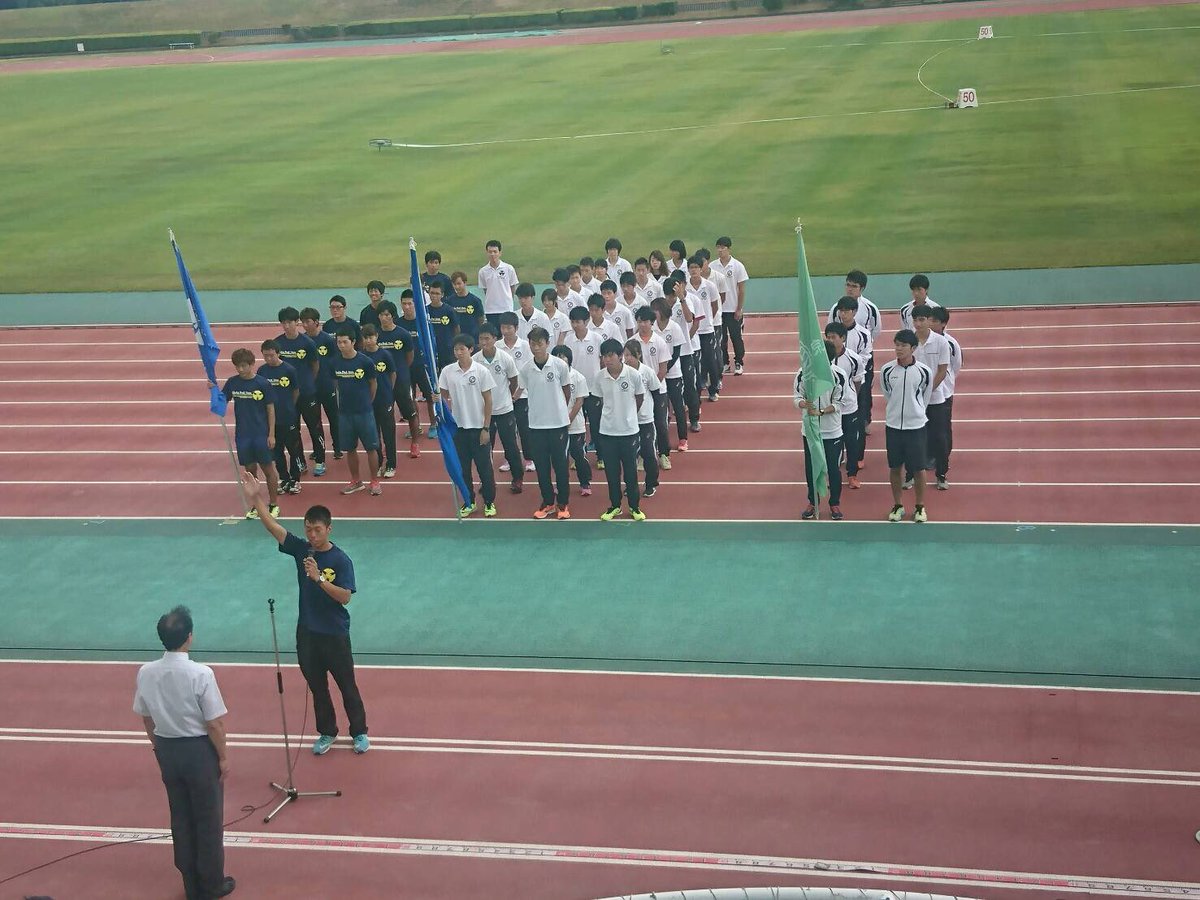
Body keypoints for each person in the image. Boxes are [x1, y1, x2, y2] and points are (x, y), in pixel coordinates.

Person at [244, 472, 370, 755]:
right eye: (308, 529)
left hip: (335, 634)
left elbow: (346, 597)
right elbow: (274, 528)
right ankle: (327, 732)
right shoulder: (301, 550)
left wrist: (319, 580)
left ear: (329, 529)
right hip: (308, 633)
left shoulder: (340, 560)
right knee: (318, 687)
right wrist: (256, 499)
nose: (312, 535)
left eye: (317, 530)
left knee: (346, 685)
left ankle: (359, 731)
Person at [133, 606, 235, 900]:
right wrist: (223, 756)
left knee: (180, 817)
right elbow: (214, 723)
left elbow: (146, 716)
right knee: (208, 819)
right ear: (189, 637)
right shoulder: (200, 673)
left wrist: (157, 745)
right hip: (197, 752)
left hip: (167, 749)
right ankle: (211, 884)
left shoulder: (146, 672)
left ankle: (190, 882)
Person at [439, 333, 498, 517]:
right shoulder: (448, 371)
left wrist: (486, 428)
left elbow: (488, 400)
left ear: (471, 350)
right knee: (463, 469)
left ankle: (489, 502)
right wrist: (437, 401)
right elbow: (442, 396)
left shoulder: (481, 371)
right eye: (456, 350)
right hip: (458, 430)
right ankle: (469, 501)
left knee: (485, 470)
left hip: (479, 429)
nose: (458, 353)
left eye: (462, 349)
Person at [216, 348, 278, 518]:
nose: (240, 369)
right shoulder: (232, 382)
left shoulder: (263, 383)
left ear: (252, 364)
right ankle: (256, 505)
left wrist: (271, 434)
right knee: (250, 471)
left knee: (268, 469)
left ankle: (273, 504)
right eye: (237, 366)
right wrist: (213, 389)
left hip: (261, 434)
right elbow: (222, 400)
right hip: (243, 435)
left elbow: (271, 409)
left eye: (244, 366)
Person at [880, 330, 933, 523]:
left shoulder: (924, 371)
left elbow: (925, 397)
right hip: (893, 426)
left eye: (903, 345)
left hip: (916, 427)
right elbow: (888, 394)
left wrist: (916, 411)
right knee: (895, 468)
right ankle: (898, 505)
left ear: (913, 348)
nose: (898, 349)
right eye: (896, 345)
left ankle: (919, 507)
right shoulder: (886, 370)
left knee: (919, 469)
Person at [519, 327, 573, 519]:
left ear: (547, 344)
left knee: (560, 467)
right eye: (533, 344)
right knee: (542, 469)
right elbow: (523, 391)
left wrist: (558, 411)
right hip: (536, 426)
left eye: (540, 344)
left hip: (558, 424)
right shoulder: (526, 369)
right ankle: (548, 502)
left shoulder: (559, 365)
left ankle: (563, 504)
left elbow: (567, 392)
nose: (536, 348)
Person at [591, 338, 646, 521]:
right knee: (612, 474)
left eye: (610, 355)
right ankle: (614, 506)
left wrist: (628, 415)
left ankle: (634, 507)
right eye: (604, 356)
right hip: (607, 433)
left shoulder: (633, 375)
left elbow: (639, 398)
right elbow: (598, 401)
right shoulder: (599, 377)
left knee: (630, 473)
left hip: (629, 431)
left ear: (620, 356)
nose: (607, 360)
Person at [794, 340, 849, 520]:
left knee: (832, 468)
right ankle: (813, 501)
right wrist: (804, 404)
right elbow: (797, 397)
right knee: (811, 468)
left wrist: (822, 411)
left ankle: (834, 504)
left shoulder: (838, 375)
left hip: (831, 430)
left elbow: (839, 402)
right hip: (810, 430)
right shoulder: (803, 373)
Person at [473, 323, 524, 494]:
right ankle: (487, 482)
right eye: (481, 339)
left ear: (495, 339)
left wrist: (507, 397)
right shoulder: (475, 360)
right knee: (485, 450)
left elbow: (514, 380)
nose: (484, 342)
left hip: (504, 410)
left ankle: (517, 478)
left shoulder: (505, 358)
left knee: (511, 447)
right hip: (484, 413)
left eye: (487, 338)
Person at [331, 328, 382, 496]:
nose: (342, 345)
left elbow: (373, 384)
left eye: (345, 342)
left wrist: (368, 401)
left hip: (364, 412)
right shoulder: (335, 362)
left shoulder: (365, 362)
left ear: (353, 342)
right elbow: (336, 383)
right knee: (349, 449)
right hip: (345, 413)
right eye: (339, 342)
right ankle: (356, 481)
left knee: (371, 448)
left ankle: (374, 481)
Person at [828, 271, 882, 431]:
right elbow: (831, 329)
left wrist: (859, 361)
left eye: (854, 286)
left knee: (863, 390)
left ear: (862, 288)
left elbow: (875, 330)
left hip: (862, 356)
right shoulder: (835, 308)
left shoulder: (870, 308)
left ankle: (864, 420)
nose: (850, 289)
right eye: (848, 285)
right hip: (839, 356)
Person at [275, 307, 324, 477]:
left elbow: (315, 366)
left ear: (297, 323)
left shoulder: (308, 343)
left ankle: (320, 460)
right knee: (292, 430)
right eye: (284, 323)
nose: (287, 326)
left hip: (307, 393)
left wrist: (307, 382)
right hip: (287, 397)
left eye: (290, 322)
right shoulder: (278, 343)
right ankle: (299, 461)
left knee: (315, 427)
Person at [909, 306, 951, 491]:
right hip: (914, 399)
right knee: (913, 438)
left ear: (929, 320)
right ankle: (910, 474)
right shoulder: (909, 340)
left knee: (939, 437)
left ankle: (941, 474)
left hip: (936, 399)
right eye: (915, 320)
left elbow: (943, 371)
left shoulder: (941, 342)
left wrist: (928, 391)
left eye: (922, 320)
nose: (918, 324)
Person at [376, 306, 421, 461]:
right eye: (381, 314)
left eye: (387, 314)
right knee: (382, 416)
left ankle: (415, 442)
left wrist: (401, 370)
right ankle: (381, 446)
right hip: (382, 381)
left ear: (393, 316)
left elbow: (409, 356)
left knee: (410, 412)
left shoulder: (403, 334)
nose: (384, 317)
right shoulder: (376, 335)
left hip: (401, 380)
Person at [258, 340, 302, 495]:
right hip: (271, 421)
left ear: (278, 353)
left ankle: (295, 479)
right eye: (265, 355)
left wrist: (288, 406)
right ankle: (284, 478)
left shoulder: (289, 370)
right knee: (277, 452)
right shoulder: (262, 371)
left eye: (271, 355)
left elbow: (295, 391)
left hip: (288, 418)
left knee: (294, 450)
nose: (269, 358)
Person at [824, 321, 865, 489]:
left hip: (848, 408)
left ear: (843, 338)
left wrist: (850, 396)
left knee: (851, 442)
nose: (831, 340)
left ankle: (852, 474)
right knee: (833, 443)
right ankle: (832, 475)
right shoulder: (824, 360)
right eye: (828, 337)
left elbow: (857, 381)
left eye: (834, 337)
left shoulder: (854, 359)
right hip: (831, 409)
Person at [300, 307, 341, 463]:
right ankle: (319, 449)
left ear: (316, 322)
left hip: (327, 385)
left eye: (307, 322)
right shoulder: (302, 341)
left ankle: (338, 447)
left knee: (334, 418)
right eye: (302, 322)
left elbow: (335, 362)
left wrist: (335, 383)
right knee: (314, 421)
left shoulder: (328, 340)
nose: (304, 325)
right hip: (310, 388)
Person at [551, 344, 593, 497]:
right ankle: (561, 484)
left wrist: (568, 419)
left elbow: (579, 401)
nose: (560, 359)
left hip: (575, 425)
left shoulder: (578, 377)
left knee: (579, 456)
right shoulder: (551, 377)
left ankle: (585, 482)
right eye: (557, 356)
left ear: (569, 359)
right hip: (556, 424)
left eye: (563, 356)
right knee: (559, 458)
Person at [634, 306, 671, 468]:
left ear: (652, 323)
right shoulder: (632, 343)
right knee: (641, 425)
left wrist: (652, 386)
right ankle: (643, 455)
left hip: (658, 390)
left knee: (660, 424)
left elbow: (663, 368)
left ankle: (664, 454)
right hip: (638, 392)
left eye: (645, 321)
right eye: (639, 321)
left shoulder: (660, 342)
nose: (642, 325)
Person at [623, 340, 662, 497]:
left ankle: (651, 483)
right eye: (624, 355)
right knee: (628, 457)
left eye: (629, 355)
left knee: (649, 454)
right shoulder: (622, 372)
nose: (626, 359)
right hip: (628, 422)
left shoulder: (647, 372)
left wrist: (655, 416)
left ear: (638, 354)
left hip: (645, 420)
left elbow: (656, 392)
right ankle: (630, 485)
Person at [563, 306, 604, 456]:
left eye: (578, 322)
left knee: (596, 424)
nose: (574, 325)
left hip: (593, 388)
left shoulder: (596, 338)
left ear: (586, 321)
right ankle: (580, 455)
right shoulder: (568, 340)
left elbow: (602, 362)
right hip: (575, 390)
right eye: (572, 322)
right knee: (578, 425)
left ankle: (601, 456)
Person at [360, 324, 399, 479]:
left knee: (389, 433)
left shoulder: (385, 355)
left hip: (384, 399)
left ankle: (391, 463)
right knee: (373, 434)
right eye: (366, 338)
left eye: (371, 337)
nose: (369, 341)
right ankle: (377, 462)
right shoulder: (361, 357)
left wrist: (389, 392)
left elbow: (393, 374)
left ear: (377, 336)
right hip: (368, 402)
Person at [497, 311, 534, 473]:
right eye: (503, 327)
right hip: (503, 396)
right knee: (508, 431)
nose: (506, 331)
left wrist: (519, 391)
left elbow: (528, 370)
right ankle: (509, 458)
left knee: (524, 428)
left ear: (516, 328)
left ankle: (529, 458)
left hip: (522, 395)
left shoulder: (525, 346)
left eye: (509, 327)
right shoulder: (497, 346)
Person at [652, 297, 689, 453]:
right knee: (659, 409)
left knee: (678, 406)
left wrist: (665, 368)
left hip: (672, 374)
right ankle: (659, 441)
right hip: (656, 375)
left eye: (655, 310)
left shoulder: (674, 328)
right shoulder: (651, 327)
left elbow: (676, 353)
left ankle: (683, 438)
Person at [931, 306, 963, 490]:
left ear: (943, 324)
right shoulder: (920, 341)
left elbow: (956, 365)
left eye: (935, 321)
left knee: (943, 431)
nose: (930, 323)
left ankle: (942, 465)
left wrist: (947, 384)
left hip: (944, 393)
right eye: (930, 320)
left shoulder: (951, 343)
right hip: (925, 394)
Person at [666, 274, 701, 436]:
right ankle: (665, 417)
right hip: (668, 353)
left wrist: (682, 299)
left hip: (685, 352)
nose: (670, 298)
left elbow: (689, 319)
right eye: (669, 295)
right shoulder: (662, 306)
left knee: (689, 386)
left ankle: (694, 418)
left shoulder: (684, 302)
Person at [398, 291, 438, 436]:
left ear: (416, 304)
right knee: (410, 397)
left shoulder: (423, 323)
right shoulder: (399, 323)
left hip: (423, 366)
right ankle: (416, 426)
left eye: (410, 303)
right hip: (406, 368)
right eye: (404, 304)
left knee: (429, 396)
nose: (407, 307)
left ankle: (434, 425)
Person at [686, 255, 722, 402]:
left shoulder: (709, 286)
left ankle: (713, 388)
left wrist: (708, 320)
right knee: (695, 361)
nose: (694, 270)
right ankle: (699, 384)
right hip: (692, 331)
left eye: (696, 267)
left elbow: (715, 304)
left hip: (706, 330)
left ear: (701, 269)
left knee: (709, 360)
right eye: (691, 267)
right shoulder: (685, 288)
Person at [712, 236, 749, 375]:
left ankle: (739, 361)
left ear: (729, 249)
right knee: (721, 339)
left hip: (733, 309)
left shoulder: (737, 266)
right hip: (719, 309)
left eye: (723, 248)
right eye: (718, 247)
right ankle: (725, 362)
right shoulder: (712, 266)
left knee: (736, 337)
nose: (720, 250)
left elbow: (742, 289)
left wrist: (739, 308)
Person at [478, 239, 519, 328]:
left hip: (506, 308)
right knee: (494, 335)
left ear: (500, 253)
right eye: (490, 252)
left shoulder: (508, 268)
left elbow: (513, 287)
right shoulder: (483, 271)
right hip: (491, 310)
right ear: (487, 253)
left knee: (507, 334)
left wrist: (507, 300)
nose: (492, 254)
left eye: (495, 251)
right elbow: (486, 290)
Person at [425, 283, 460, 374]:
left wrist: (453, 344)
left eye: (437, 293)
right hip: (431, 349)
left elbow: (456, 328)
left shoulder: (449, 310)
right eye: (432, 293)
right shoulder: (425, 310)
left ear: (442, 295)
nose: (434, 296)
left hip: (446, 349)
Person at [448, 270, 485, 343]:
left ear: (465, 283)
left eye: (459, 284)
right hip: (457, 338)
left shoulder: (475, 300)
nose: (457, 287)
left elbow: (481, 319)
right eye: (454, 284)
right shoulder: (449, 301)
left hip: (472, 337)